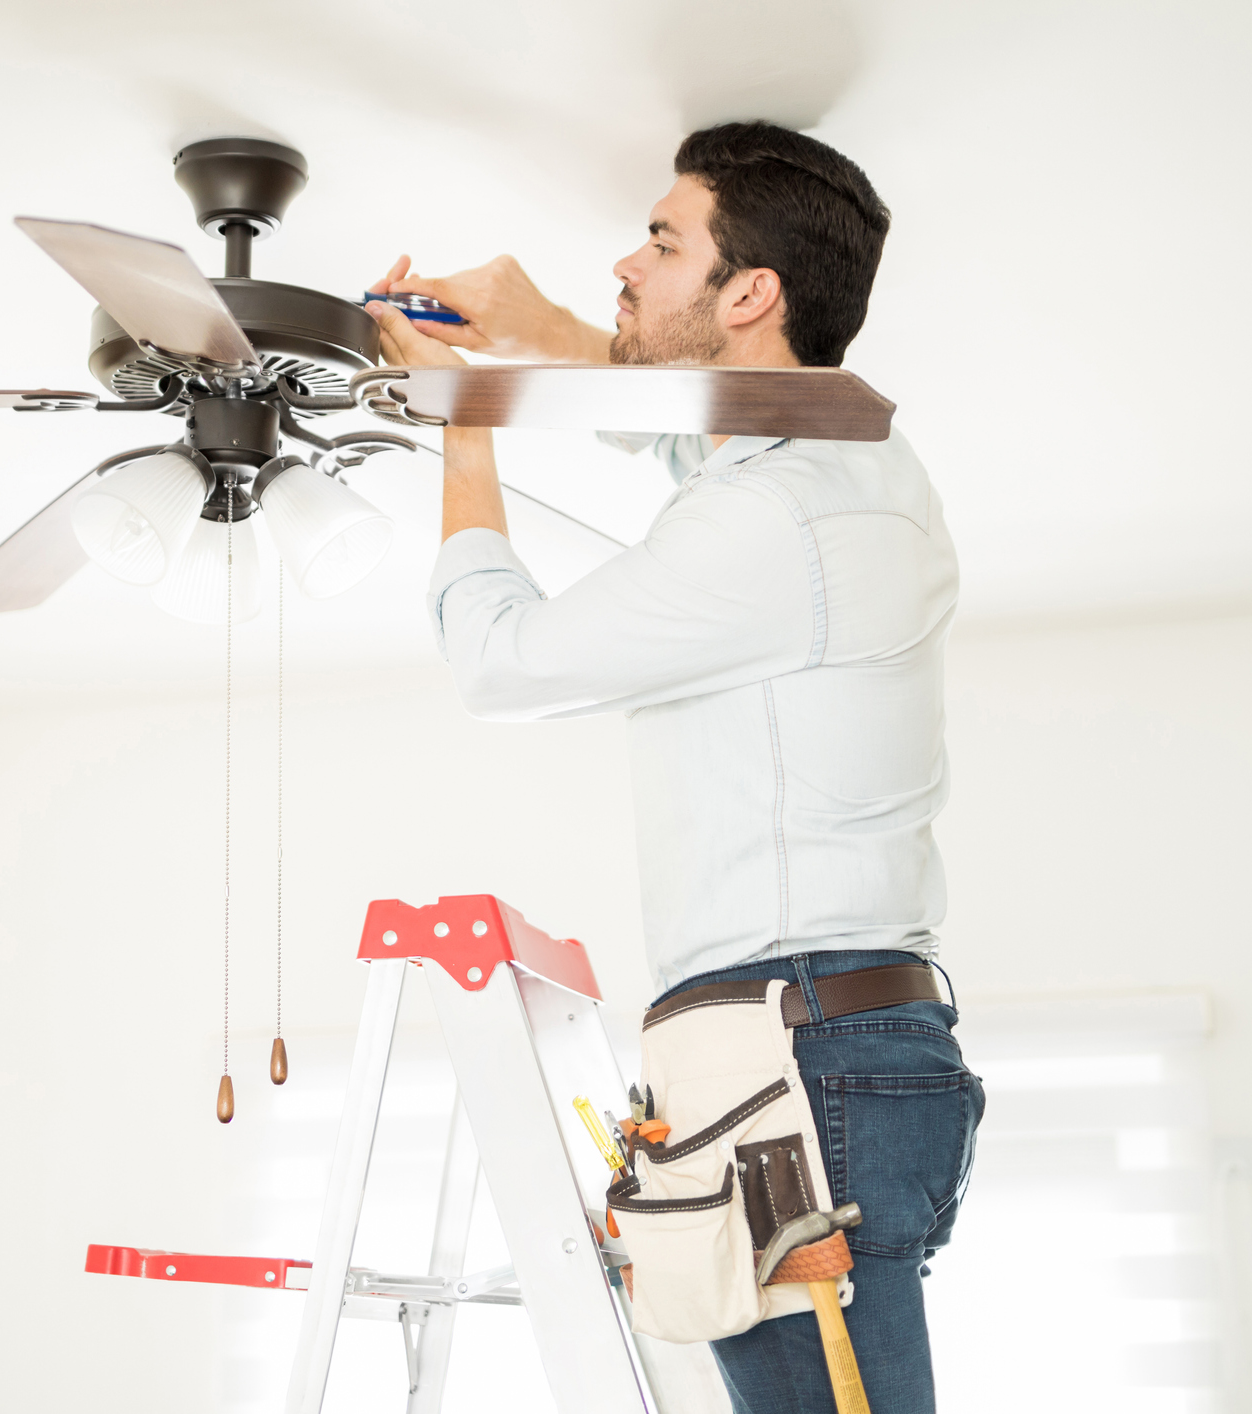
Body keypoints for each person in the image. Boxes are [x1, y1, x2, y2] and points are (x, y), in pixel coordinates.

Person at [365, 120, 984, 1414]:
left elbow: (504, 659)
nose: (625, 264)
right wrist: (530, 321)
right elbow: (676, 415)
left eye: (660, 241)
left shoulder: (774, 513)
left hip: (789, 1052)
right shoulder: (834, 465)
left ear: (749, 291)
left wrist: (463, 427)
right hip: (818, 1041)